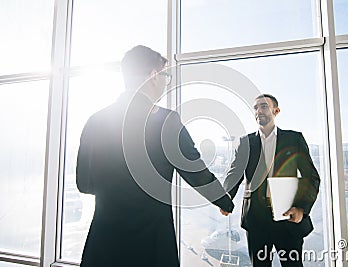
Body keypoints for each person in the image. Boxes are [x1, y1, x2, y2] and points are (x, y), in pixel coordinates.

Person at [76, 45, 234, 267]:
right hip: (152, 247)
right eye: (165, 76)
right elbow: (195, 172)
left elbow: (84, 183)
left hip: (104, 246)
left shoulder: (95, 121)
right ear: (153, 75)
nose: (165, 82)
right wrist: (224, 201)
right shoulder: (166, 122)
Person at [221, 94, 320, 267]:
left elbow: (311, 177)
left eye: (264, 106)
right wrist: (226, 197)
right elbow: (234, 173)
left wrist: (301, 209)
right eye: (256, 107)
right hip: (256, 219)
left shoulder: (294, 139)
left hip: (288, 217)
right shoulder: (245, 143)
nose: (259, 110)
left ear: (276, 111)